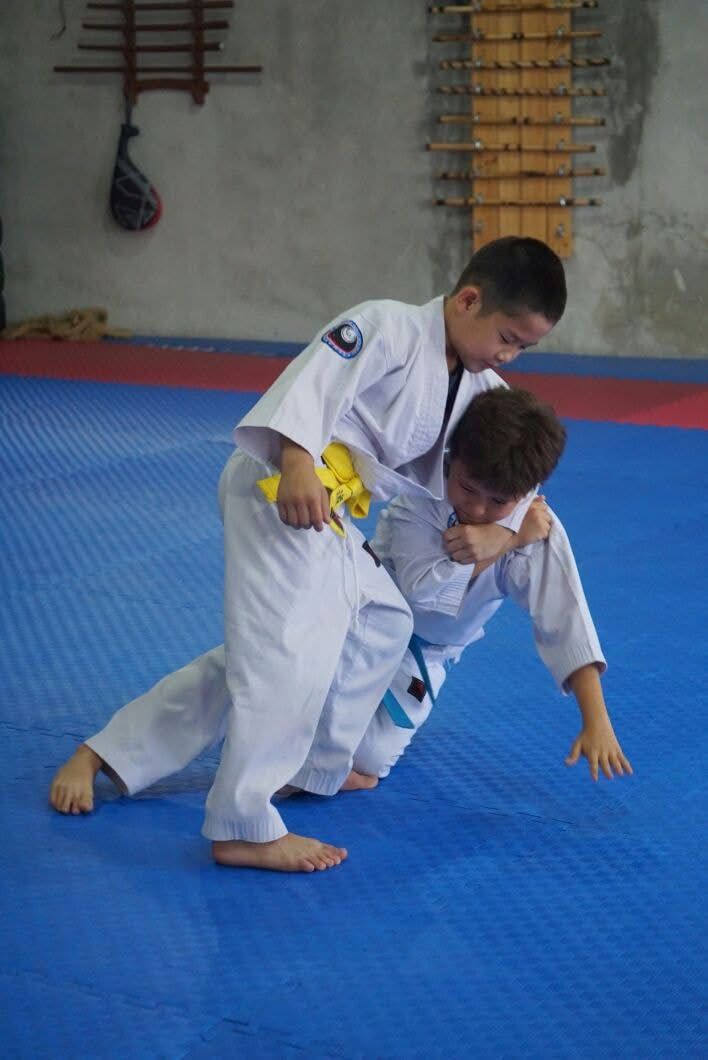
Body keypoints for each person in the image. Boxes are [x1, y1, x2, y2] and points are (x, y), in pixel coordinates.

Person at [49, 236, 568, 873]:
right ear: (468, 300)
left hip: (328, 520)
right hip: (282, 493)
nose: (511, 355)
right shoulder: (386, 325)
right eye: (510, 337)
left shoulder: (477, 386)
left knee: (381, 622)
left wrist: (507, 533)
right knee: (284, 662)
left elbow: (518, 481)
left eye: (524, 347)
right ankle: (244, 824)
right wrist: (297, 457)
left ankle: (145, 756)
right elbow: (314, 381)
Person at [349, 387, 633, 786]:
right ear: (452, 461)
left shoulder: (539, 527)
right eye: (466, 488)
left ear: (526, 490)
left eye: (498, 501)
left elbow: (566, 617)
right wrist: (504, 539)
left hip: (426, 653)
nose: (477, 509)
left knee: (370, 756)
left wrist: (596, 720)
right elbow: (421, 591)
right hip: (363, 619)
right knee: (296, 699)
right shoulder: (421, 496)